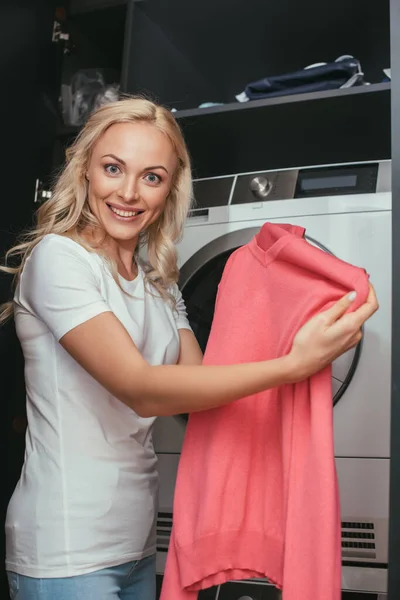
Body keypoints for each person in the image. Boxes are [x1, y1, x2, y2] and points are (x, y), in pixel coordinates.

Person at [0, 97, 378, 600]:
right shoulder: (60, 261)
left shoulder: (157, 281)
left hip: (136, 546)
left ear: (170, 188)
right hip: (65, 548)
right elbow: (142, 389)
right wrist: (293, 365)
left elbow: (200, 389)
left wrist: (282, 296)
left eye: (151, 177)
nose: (129, 193)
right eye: (113, 169)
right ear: (85, 167)